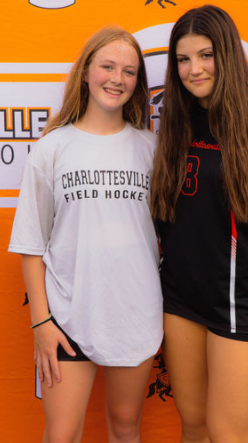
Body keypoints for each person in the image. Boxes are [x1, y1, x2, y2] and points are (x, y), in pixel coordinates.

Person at [151, 5, 248, 443]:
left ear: (229, 55)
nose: (193, 69)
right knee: (193, 425)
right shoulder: (177, 120)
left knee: (227, 434)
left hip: (240, 303)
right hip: (180, 299)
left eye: (206, 55)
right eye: (182, 59)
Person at [9, 26, 163, 443]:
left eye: (129, 71)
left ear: (138, 84)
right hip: (66, 316)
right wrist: (41, 321)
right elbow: (30, 244)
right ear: (86, 72)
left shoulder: (151, 149)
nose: (117, 78)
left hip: (136, 312)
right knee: (61, 434)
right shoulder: (53, 148)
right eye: (107, 66)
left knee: (126, 426)